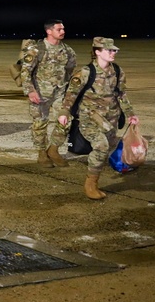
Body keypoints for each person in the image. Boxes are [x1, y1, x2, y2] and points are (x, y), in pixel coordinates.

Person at [57, 38, 139, 200]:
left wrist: (130, 114)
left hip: (111, 120)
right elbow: (70, 95)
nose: (113, 53)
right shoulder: (85, 73)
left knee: (106, 148)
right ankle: (90, 184)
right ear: (97, 52)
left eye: (114, 50)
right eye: (109, 50)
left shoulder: (117, 70)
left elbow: (121, 94)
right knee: (101, 147)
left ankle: (96, 177)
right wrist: (64, 112)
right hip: (90, 119)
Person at [21, 20, 77, 167]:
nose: (63, 31)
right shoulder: (36, 49)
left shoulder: (68, 51)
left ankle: (53, 149)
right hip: (40, 93)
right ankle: (41, 153)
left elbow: (70, 71)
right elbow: (25, 72)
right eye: (59, 29)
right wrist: (30, 91)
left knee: (65, 121)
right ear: (49, 31)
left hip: (60, 93)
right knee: (40, 123)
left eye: (63, 28)